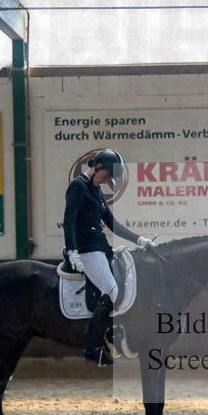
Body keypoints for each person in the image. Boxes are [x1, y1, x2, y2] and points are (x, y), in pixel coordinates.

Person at [63, 149, 154, 366]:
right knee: (111, 290)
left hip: (100, 249)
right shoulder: (78, 187)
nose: (104, 182)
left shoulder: (95, 192)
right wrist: (73, 251)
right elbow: (69, 221)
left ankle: (113, 334)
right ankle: (93, 347)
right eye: (104, 177)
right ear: (99, 166)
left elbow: (113, 224)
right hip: (86, 251)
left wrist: (139, 240)